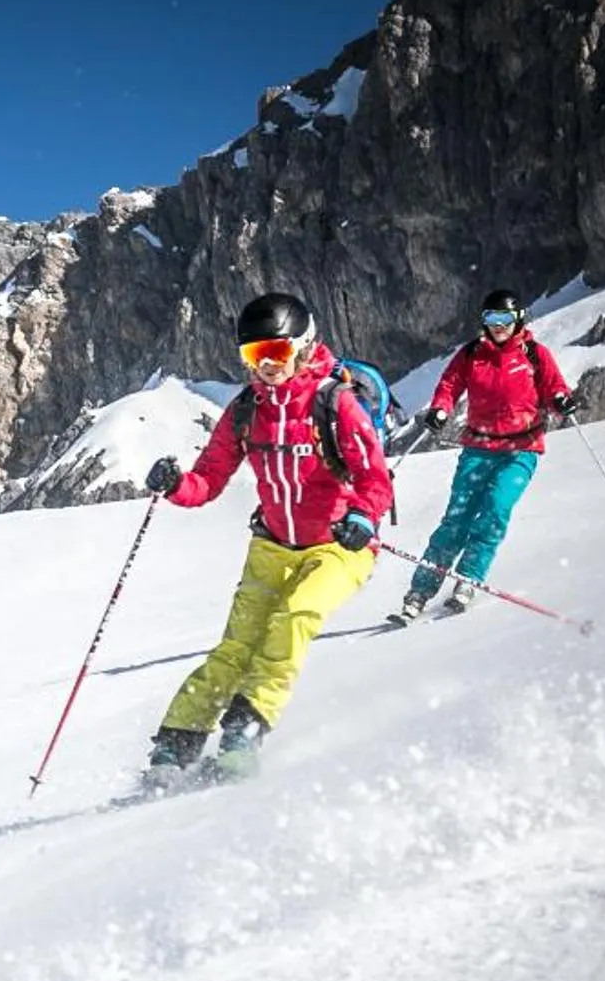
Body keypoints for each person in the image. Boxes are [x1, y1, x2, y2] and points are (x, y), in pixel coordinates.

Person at [138, 293, 394, 787]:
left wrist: (362, 518)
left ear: (303, 346)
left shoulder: (335, 403)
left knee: (293, 620)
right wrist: (175, 485)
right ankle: (176, 743)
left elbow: (375, 479)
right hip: (272, 546)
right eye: (254, 355)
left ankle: (242, 735)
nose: (266, 366)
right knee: (237, 647)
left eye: (276, 353)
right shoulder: (246, 410)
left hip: (338, 547)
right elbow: (207, 481)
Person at [398, 288, 579, 619]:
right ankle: (420, 591)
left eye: (504, 318)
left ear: (518, 319)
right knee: (457, 518)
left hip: (521, 449)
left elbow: (553, 386)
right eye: (491, 318)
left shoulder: (534, 354)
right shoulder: (472, 354)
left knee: (496, 509)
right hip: (479, 449)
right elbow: (450, 384)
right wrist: (440, 408)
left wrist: (561, 399)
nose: (498, 325)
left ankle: (469, 578)